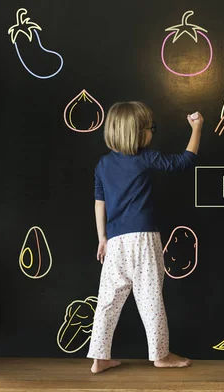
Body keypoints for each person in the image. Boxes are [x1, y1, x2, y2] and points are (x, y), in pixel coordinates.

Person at [87, 101, 203, 374]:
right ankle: (160, 355)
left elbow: (98, 204)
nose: (153, 132)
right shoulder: (144, 157)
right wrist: (197, 128)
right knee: (150, 298)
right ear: (138, 134)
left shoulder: (103, 164)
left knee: (107, 301)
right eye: (150, 128)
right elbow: (185, 161)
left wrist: (102, 238)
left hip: (114, 243)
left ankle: (99, 357)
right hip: (143, 239)